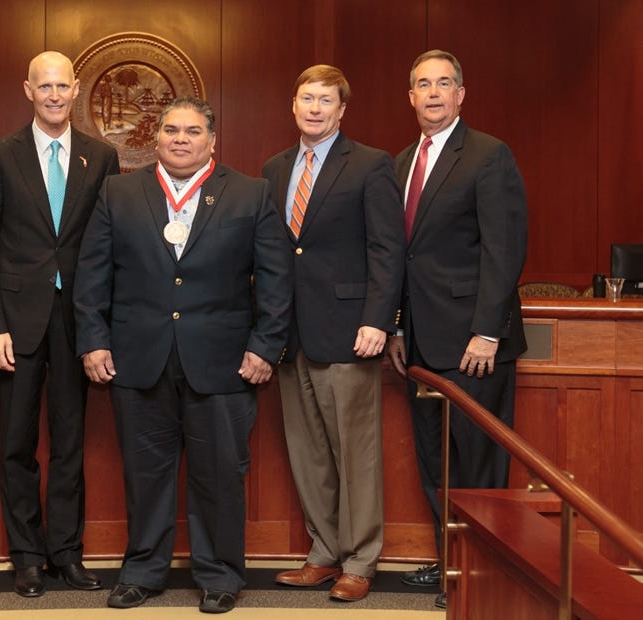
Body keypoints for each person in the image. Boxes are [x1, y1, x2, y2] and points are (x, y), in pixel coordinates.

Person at [74, 95, 293, 614]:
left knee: (219, 473)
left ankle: (219, 575)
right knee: (145, 474)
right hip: (137, 357)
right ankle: (142, 571)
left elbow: (278, 280)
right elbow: (92, 277)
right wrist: (93, 339)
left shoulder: (250, 194)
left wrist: (266, 346)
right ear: (156, 137)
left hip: (223, 362)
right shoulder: (119, 192)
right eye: (171, 130)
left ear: (212, 140)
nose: (180, 139)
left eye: (193, 132)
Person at [0, 51, 120, 598]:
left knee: (71, 442)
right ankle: (27, 556)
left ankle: (66, 553)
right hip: (18, 322)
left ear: (75, 90)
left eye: (63, 86)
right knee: (17, 443)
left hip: (77, 318)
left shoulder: (100, 157)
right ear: (27, 90)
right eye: (44, 87)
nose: (55, 96)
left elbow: (106, 247)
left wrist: (101, 324)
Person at [387, 50, 528, 610]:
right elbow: (401, 256)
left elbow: (504, 248)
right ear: (411, 97)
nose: (434, 93)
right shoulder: (400, 163)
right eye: (423, 84)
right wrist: (397, 326)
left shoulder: (489, 156)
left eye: (444, 83)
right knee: (436, 461)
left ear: (461, 94)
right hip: (420, 342)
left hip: (474, 343)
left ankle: (487, 572)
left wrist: (487, 331)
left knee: (479, 463)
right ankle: (453, 564)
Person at [262, 65, 405, 603]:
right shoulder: (274, 169)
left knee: (355, 452)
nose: (315, 108)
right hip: (289, 335)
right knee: (309, 452)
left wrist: (378, 319)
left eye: (326, 100)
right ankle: (323, 553)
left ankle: (361, 559)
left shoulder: (370, 165)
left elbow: (386, 252)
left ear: (342, 110)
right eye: (307, 98)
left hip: (350, 331)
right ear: (293, 105)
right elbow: (275, 254)